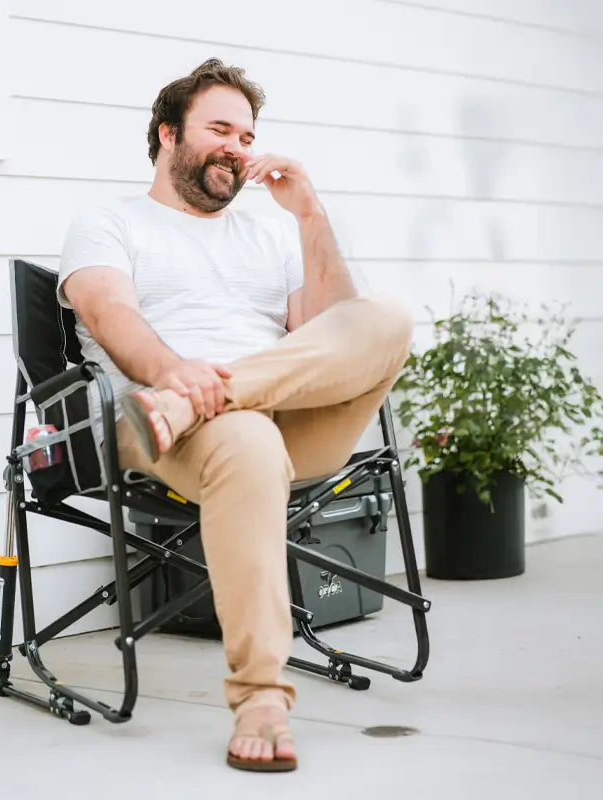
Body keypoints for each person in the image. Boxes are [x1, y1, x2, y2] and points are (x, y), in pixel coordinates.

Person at [58, 58, 412, 772]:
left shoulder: (271, 235)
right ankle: (260, 697)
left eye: (247, 134)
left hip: (277, 411)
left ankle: (213, 395)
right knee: (246, 439)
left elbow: (334, 330)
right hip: (162, 425)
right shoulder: (109, 223)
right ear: (167, 134)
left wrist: (309, 214)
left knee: (386, 319)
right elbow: (109, 314)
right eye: (219, 128)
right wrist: (170, 375)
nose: (238, 146)